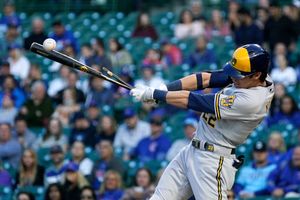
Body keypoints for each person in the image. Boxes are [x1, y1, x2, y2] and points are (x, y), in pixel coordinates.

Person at [130, 44, 274, 199]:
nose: (233, 77)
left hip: (212, 161)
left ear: (257, 75)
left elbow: (194, 100)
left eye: (238, 75)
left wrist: (157, 94)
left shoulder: (252, 101)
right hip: (192, 150)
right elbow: (206, 78)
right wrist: (166, 88)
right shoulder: (255, 77)